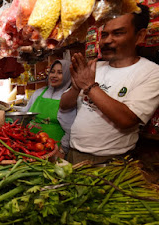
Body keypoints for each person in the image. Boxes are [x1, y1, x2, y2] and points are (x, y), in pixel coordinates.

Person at [60, 4, 159, 164]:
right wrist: (76, 87)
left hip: (110, 162)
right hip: (74, 153)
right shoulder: (95, 67)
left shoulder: (151, 72)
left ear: (140, 36)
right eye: (104, 35)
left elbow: (127, 120)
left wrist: (90, 87)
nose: (107, 41)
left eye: (118, 33)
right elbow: (64, 106)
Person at [23, 60, 76, 156]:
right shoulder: (39, 92)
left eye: (60, 73)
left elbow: (71, 130)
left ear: (68, 75)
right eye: (52, 71)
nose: (54, 76)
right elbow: (25, 114)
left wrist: (62, 150)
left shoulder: (69, 98)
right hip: (30, 145)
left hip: (53, 148)